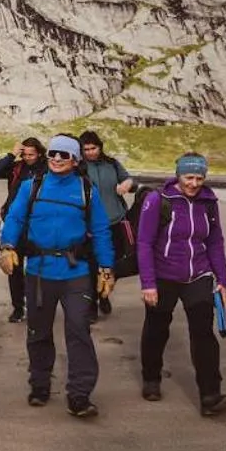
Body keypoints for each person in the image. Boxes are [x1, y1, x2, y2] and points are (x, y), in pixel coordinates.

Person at [0, 135, 114, 418]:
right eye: (53, 153)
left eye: (64, 155)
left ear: (75, 160)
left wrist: (106, 268)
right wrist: (7, 245)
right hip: (39, 272)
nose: (57, 159)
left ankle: (79, 395)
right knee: (38, 332)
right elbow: (15, 218)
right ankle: (39, 385)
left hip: (77, 273)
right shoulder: (31, 186)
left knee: (79, 330)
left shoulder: (86, 190)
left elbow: (101, 230)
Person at [137, 152, 226, 416]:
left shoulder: (208, 202)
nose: (194, 184)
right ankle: (151, 379)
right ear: (178, 175)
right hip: (163, 276)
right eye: (189, 177)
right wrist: (148, 283)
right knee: (156, 329)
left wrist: (223, 279)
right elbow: (144, 243)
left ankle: (210, 396)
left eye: (199, 178)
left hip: (199, 275)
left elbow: (215, 241)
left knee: (203, 334)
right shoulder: (158, 200)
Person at [78, 130, 136, 319]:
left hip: (115, 221)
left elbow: (130, 182)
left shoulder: (112, 164)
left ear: (100, 147)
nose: (90, 152)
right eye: (86, 149)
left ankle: (104, 293)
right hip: (90, 225)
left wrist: (127, 184)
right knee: (93, 265)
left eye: (93, 148)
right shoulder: (79, 167)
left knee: (112, 265)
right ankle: (92, 304)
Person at [0, 138, 45, 322]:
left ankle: (38, 305)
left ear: (40, 154)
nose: (28, 158)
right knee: (14, 267)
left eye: (31, 155)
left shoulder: (47, 170)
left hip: (37, 224)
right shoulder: (17, 168)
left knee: (38, 268)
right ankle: (18, 307)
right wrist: (11, 155)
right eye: (25, 154)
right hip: (15, 223)